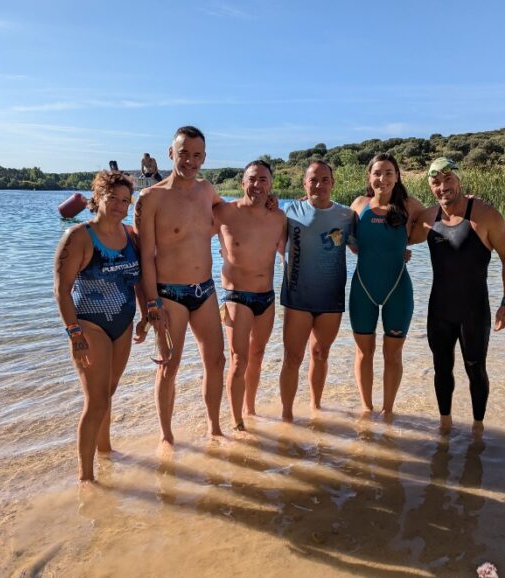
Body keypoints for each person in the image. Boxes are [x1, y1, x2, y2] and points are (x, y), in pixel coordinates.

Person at [409, 157, 505, 436]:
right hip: (439, 310)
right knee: (441, 369)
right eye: (436, 182)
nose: (442, 187)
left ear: (459, 180)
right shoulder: (429, 217)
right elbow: (401, 232)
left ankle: (478, 430)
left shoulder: (485, 214)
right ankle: (444, 427)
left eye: (448, 180)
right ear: (430, 187)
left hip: (474, 310)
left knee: (475, 369)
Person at [134, 126, 225, 448]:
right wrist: (151, 305)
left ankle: (214, 429)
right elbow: (144, 257)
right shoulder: (151, 197)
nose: (190, 160)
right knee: (169, 367)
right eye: (184, 153)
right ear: (171, 153)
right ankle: (167, 437)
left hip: (205, 290)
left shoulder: (206, 190)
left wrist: (268, 205)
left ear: (204, 157)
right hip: (169, 294)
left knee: (217, 361)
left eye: (197, 155)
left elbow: (230, 214)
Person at [53, 170, 146, 482]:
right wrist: (74, 332)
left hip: (122, 322)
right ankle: (86, 477)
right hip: (89, 325)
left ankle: (106, 451)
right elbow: (61, 290)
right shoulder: (79, 236)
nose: (120, 205)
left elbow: (140, 281)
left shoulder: (131, 236)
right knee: (96, 400)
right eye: (112, 199)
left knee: (109, 392)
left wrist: (147, 314)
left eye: (125, 200)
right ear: (97, 198)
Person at [349, 154, 424, 419]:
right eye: (378, 173)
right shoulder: (358, 205)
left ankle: (389, 410)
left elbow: (437, 220)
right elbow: (345, 235)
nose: (383, 178)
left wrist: (467, 202)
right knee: (363, 352)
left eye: (389, 172)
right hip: (363, 289)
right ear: (369, 177)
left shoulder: (410, 206)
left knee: (392, 355)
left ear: (397, 176)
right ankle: (367, 409)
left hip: (397, 290)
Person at [278, 161, 355, 421]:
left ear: (333, 183)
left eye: (324, 179)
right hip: (297, 296)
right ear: (304, 184)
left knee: (320, 354)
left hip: (330, 296)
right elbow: (269, 237)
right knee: (293, 357)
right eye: (313, 179)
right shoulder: (289, 211)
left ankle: (315, 409)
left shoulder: (346, 216)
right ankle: (287, 415)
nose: (318, 185)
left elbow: (363, 248)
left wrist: (399, 249)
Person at [214, 160, 286, 431]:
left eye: (263, 180)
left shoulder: (278, 217)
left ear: (270, 185)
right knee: (238, 359)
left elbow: (291, 250)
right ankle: (237, 421)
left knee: (257, 355)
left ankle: (250, 408)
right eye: (252, 179)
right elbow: (190, 234)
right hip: (236, 296)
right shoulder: (224, 212)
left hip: (266, 297)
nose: (257, 185)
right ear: (242, 182)